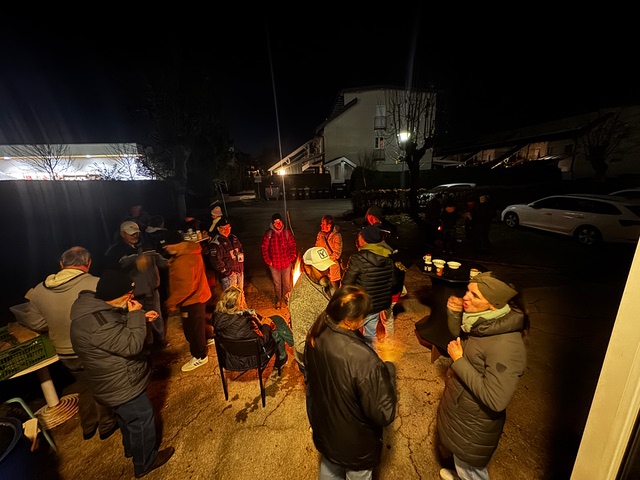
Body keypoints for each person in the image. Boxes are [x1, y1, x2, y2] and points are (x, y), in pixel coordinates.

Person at [70, 269, 174, 478]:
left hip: (110, 381)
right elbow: (131, 345)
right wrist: (135, 315)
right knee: (142, 418)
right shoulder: (97, 324)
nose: (132, 297)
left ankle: (132, 449)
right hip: (120, 382)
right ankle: (145, 461)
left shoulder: (95, 308)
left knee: (127, 418)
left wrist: (140, 319)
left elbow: (115, 326)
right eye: (129, 293)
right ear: (115, 294)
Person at [10, 246, 118, 441]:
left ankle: (88, 425)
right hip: (93, 347)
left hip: (65, 352)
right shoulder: (95, 284)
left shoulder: (39, 291)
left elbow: (37, 323)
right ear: (88, 263)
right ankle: (106, 424)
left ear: (61, 264)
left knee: (84, 385)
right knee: (102, 384)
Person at [437, 271, 527, 480]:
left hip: (475, 422)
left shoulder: (507, 346)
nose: (465, 297)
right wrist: (454, 314)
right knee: (461, 460)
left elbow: (496, 400)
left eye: (475, 295)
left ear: (494, 305)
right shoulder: (483, 321)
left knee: (470, 469)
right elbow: (462, 338)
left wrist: (459, 361)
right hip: (463, 409)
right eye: (468, 291)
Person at [305, 285, 397, 479]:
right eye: (363, 316)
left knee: (329, 467)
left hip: (326, 427)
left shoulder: (317, 330)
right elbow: (384, 413)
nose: (364, 319)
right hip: (354, 444)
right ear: (348, 320)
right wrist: (388, 367)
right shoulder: (363, 359)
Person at [104, 220, 168, 349]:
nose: (135, 235)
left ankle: (160, 341)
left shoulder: (147, 246)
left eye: (137, 232)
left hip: (152, 289)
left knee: (156, 316)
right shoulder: (115, 252)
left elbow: (161, 262)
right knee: (138, 318)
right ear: (122, 233)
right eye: (131, 233)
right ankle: (144, 345)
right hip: (134, 294)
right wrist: (135, 263)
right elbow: (112, 274)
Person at [161, 230, 213, 372]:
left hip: (192, 301)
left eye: (167, 245)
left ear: (175, 244)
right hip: (200, 295)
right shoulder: (191, 251)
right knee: (199, 324)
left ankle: (200, 356)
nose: (165, 248)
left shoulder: (183, 260)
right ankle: (207, 338)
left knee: (192, 330)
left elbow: (186, 287)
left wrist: (171, 302)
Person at [342, 225, 401, 344]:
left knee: (348, 335)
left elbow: (346, 284)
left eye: (360, 236)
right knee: (370, 334)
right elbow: (394, 286)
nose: (358, 238)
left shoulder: (357, 258)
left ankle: (353, 353)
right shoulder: (389, 258)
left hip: (361, 306)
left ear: (365, 239)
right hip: (376, 307)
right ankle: (371, 353)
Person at [212, 285, 291, 369]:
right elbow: (261, 342)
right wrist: (266, 325)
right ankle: (287, 351)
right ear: (239, 303)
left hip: (231, 358)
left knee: (277, 319)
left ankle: (287, 350)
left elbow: (244, 327)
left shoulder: (218, 317)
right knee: (276, 330)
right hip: (250, 358)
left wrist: (258, 318)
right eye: (243, 298)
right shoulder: (243, 322)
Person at [288, 246, 336, 377]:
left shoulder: (321, 280)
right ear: (307, 269)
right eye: (321, 269)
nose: (326, 272)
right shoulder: (301, 301)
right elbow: (302, 345)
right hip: (318, 362)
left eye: (327, 267)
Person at [261, 212, 297, 309]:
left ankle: (287, 298)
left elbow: (293, 245)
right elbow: (264, 248)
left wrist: (292, 257)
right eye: (276, 222)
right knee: (277, 284)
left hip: (286, 263)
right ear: (273, 224)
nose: (278, 224)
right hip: (274, 265)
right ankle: (278, 299)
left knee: (287, 284)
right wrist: (268, 261)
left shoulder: (287, 233)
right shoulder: (269, 234)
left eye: (279, 222)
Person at [208, 217, 244, 291]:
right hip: (228, 276)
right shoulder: (216, 243)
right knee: (231, 295)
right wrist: (228, 272)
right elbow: (216, 262)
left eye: (228, 228)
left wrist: (240, 255)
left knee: (240, 293)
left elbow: (241, 248)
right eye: (224, 228)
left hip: (239, 271)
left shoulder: (233, 238)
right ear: (218, 228)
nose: (227, 230)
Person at [315, 214, 343, 289]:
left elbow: (337, 254)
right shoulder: (320, 234)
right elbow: (317, 248)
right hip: (322, 268)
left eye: (323, 224)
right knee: (323, 288)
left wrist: (326, 260)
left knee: (334, 288)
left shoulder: (336, 236)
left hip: (333, 268)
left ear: (329, 225)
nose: (321, 225)